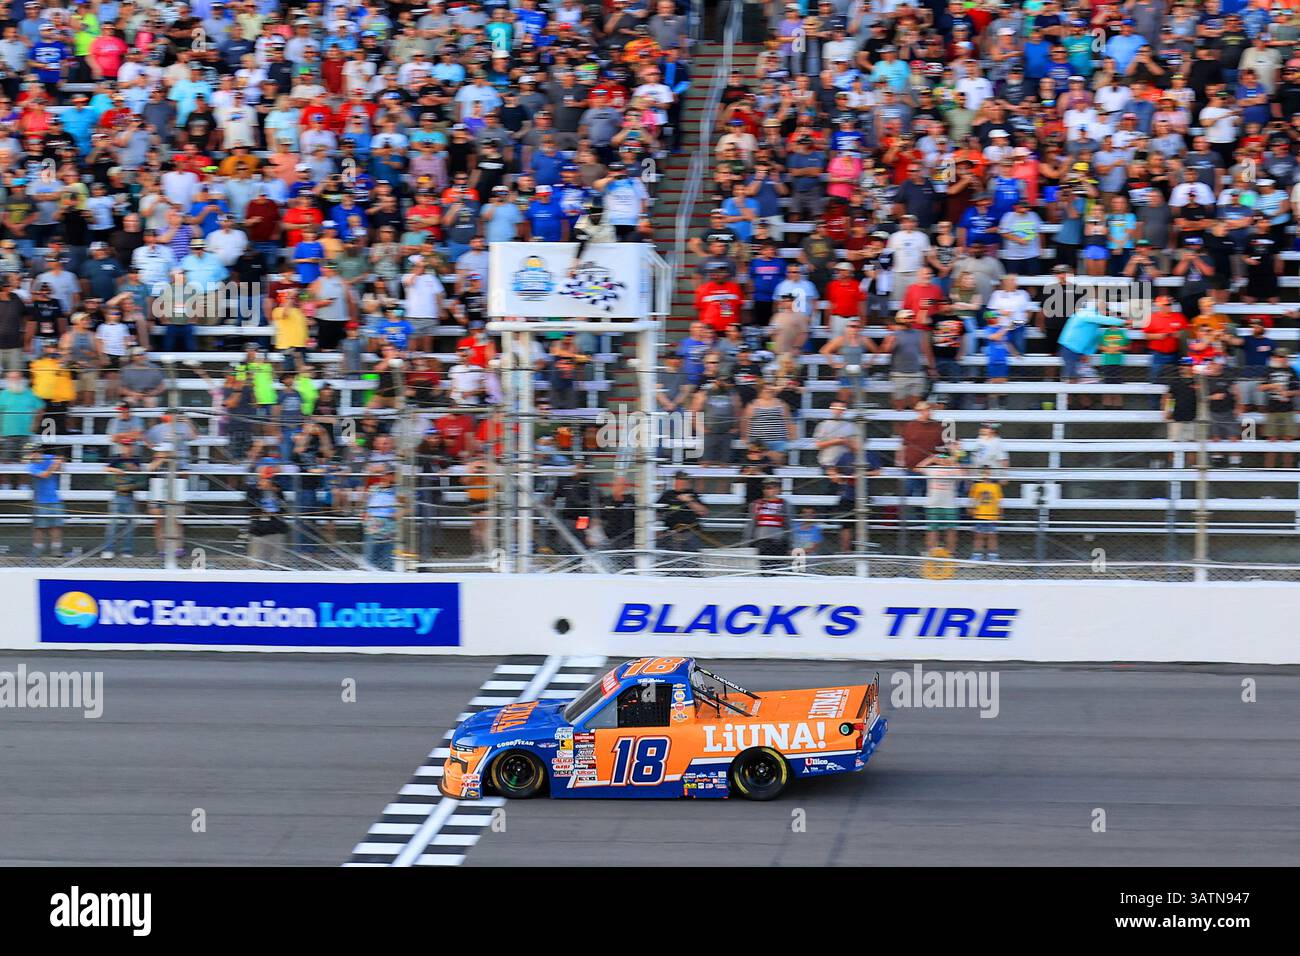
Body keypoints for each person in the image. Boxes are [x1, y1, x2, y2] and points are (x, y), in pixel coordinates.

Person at [103, 443, 144, 560]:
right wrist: (117, 470)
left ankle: (127, 550)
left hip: (130, 495)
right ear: (121, 447)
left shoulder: (136, 459)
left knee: (130, 524)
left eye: (129, 446)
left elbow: (139, 472)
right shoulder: (116, 457)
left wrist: (133, 468)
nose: (127, 448)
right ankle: (108, 550)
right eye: (125, 446)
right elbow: (105, 468)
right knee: (112, 524)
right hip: (117, 494)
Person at [657, 470, 708, 553]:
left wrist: (689, 501)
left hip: (690, 532)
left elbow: (703, 512)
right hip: (671, 532)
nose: (682, 483)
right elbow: (656, 512)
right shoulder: (667, 495)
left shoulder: (692, 495)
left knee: (690, 558)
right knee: (670, 558)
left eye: (684, 480)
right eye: (679, 480)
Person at [748, 479, 792, 571]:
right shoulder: (756, 504)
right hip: (762, 540)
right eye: (766, 488)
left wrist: (790, 543)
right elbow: (752, 524)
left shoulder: (784, 503)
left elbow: (788, 524)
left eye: (772, 487)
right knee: (764, 567)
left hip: (778, 540)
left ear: (778, 489)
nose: (768, 490)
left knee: (778, 567)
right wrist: (748, 541)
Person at [27, 445, 63, 557]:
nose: (33, 455)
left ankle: (56, 549)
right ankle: (37, 549)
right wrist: (54, 465)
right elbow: (45, 475)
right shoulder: (31, 466)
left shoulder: (49, 457)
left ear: (40, 452)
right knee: (40, 527)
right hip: (40, 501)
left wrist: (59, 462)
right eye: (31, 453)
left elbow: (60, 459)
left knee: (56, 526)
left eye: (35, 452)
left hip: (54, 498)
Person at [968, 468, 1004, 562]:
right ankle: (977, 555)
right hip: (980, 515)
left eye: (988, 472)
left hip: (992, 515)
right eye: (984, 472)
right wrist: (971, 509)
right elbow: (973, 500)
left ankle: (993, 555)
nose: (986, 474)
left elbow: (999, 501)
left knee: (992, 536)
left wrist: (1000, 512)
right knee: (978, 536)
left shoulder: (996, 486)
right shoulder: (976, 485)